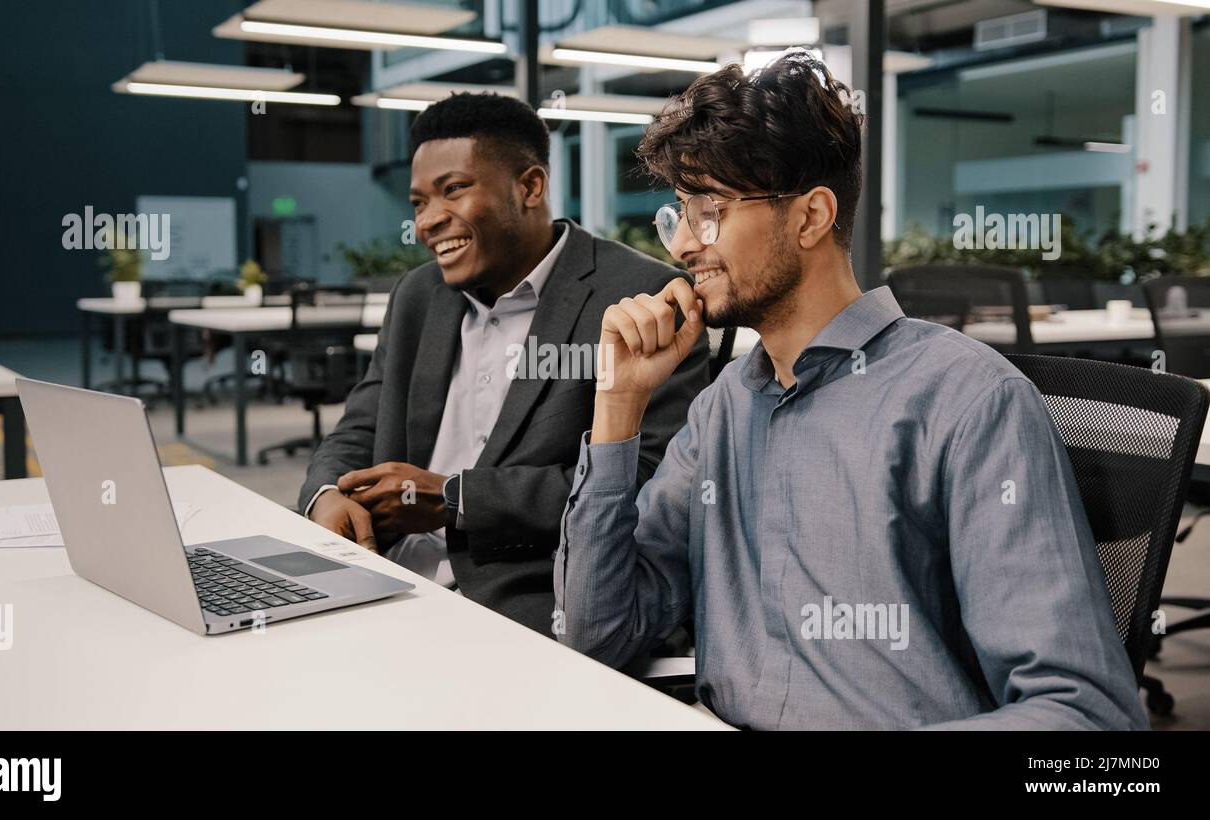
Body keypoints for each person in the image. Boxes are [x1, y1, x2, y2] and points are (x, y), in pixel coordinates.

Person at [552, 53, 1147, 729]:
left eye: (709, 209)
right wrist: (617, 406)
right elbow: (595, 636)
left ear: (810, 218)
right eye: (679, 213)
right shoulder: (721, 411)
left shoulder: (967, 402)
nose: (684, 243)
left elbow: (1086, 714)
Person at [301, 92, 708, 635]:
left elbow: (645, 481)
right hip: (381, 578)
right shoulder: (417, 296)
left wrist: (456, 501)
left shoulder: (639, 296)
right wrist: (326, 496)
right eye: (419, 203)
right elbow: (360, 426)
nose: (428, 222)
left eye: (453, 190)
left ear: (530, 186)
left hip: (518, 606)